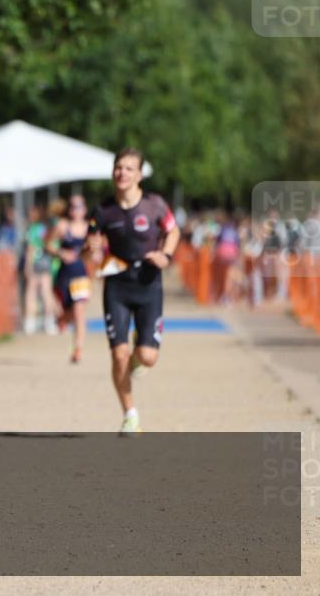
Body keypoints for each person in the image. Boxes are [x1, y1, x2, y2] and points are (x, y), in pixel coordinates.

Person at [87, 148, 179, 435]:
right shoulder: (103, 210)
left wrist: (166, 255)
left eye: (128, 168)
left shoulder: (154, 205)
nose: (122, 173)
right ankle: (130, 416)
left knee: (148, 357)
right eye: (118, 167)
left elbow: (173, 231)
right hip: (117, 285)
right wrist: (92, 251)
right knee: (118, 355)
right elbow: (92, 243)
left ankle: (141, 353)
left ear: (139, 175)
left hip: (149, 283)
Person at [46, 195, 91, 363]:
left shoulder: (88, 228)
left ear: (84, 209)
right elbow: (48, 245)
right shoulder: (62, 226)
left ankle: (78, 349)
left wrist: (93, 253)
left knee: (79, 311)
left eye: (79, 206)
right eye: (73, 206)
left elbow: (93, 252)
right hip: (64, 275)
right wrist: (61, 253)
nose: (76, 209)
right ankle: (61, 320)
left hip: (81, 276)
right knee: (68, 313)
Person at [22, 204, 58, 335]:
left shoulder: (34, 229)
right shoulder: (48, 228)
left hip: (36, 262)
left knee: (31, 293)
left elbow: (30, 248)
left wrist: (27, 266)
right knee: (46, 293)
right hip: (46, 263)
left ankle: (30, 322)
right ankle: (49, 322)